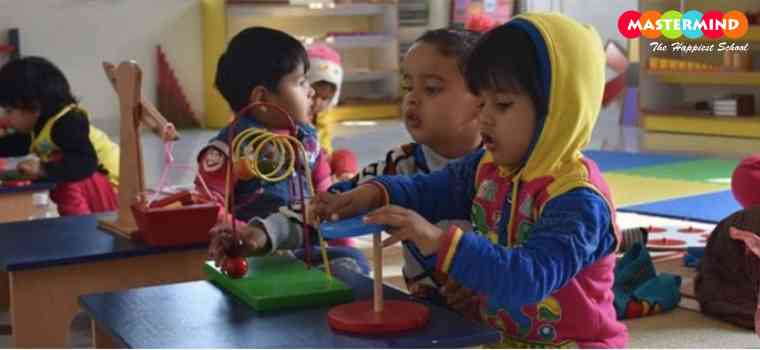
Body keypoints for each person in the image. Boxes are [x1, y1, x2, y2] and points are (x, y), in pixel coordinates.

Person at [316, 13, 629, 347]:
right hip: (501, 339)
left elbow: (531, 277)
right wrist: (373, 194)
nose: (485, 116)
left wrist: (439, 242)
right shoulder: (488, 166)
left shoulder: (577, 198)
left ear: (558, 110)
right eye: (481, 102)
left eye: (503, 104)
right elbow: (430, 189)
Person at [200, 27, 367, 274]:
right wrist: (242, 234)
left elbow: (328, 202)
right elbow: (207, 204)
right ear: (263, 100)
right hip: (254, 256)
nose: (311, 91)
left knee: (352, 260)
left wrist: (343, 239)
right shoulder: (227, 149)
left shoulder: (308, 142)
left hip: (305, 249)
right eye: (300, 82)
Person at [0, 56, 119, 215]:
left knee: (60, 172)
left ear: (34, 106)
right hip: (96, 184)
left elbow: (85, 163)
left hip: (113, 187)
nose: (5, 118)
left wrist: (42, 169)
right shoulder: (42, 127)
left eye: (8, 111)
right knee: (56, 172)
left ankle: (78, 226)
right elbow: (18, 143)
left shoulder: (68, 122)